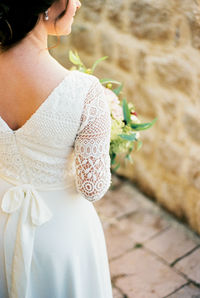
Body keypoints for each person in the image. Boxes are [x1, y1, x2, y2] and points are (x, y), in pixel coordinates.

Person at [0, 0, 113, 297]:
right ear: (49, 5)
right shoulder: (86, 92)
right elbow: (92, 188)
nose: (77, 4)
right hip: (62, 237)